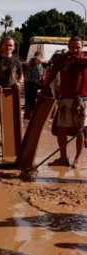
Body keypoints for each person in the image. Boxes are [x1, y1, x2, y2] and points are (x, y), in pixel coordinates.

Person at [43, 36, 87, 169]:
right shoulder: (61, 59)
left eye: (78, 47)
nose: (75, 49)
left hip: (82, 99)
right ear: (68, 47)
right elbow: (51, 73)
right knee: (60, 129)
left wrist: (72, 59)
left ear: (82, 47)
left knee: (80, 130)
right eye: (72, 47)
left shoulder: (84, 59)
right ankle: (63, 158)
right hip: (66, 98)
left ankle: (77, 159)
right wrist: (44, 88)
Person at [0, 37, 23, 156]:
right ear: (2, 46)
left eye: (11, 45)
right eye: (7, 45)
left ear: (13, 47)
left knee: (9, 123)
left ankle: (9, 149)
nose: (9, 47)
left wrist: (18, 83)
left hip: (11, 96)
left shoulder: (16, 61)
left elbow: (21, 77)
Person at [23, 51, 45, 119]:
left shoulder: (37, 63)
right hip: (30, 82)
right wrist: (49, 60)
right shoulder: (33, 59)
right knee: (31, 98)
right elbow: (39, 60)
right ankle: (29, 114)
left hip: (34, 82)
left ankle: (29, 113)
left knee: (31, 98)